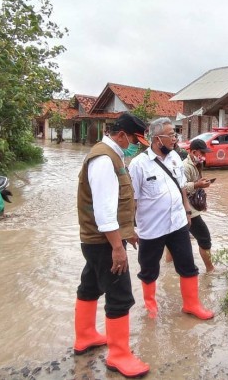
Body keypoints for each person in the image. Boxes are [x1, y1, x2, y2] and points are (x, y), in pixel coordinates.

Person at [74, 112, 150, 378]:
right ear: (121, 135)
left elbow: (117, 204)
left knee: (90, 285)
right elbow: (104, 211)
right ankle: (118, 355)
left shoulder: (111, 155)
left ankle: (85, 336)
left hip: (96, 240)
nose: (136, 145)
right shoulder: (105, 159)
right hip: (103, 241)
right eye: (134, 139)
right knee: (120, 296)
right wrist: (118, 248)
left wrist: (128, 233)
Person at [128, 117, 214, 321]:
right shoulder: (138, 165)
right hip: (152, 228)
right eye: (172, 135)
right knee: (149, 270)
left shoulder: (175, 157)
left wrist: (186, 211)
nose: (175, 139)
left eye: (175, 135)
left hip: (178, 224)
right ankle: (151, 307)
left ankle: (191, 304)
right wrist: (129, 229)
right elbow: (131, 200)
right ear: (158, 139)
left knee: (187, 264)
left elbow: (182, 187)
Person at [183, 139, 215, 272]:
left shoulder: (196, 163)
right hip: (187, 208)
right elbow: (181, 188)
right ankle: (210, 270)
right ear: (194, 152)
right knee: (204, 237)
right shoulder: (185, 167)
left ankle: (168, 266)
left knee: (177, 240)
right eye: (203, 153)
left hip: (191, 207)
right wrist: (197, 184)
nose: (204, 156)